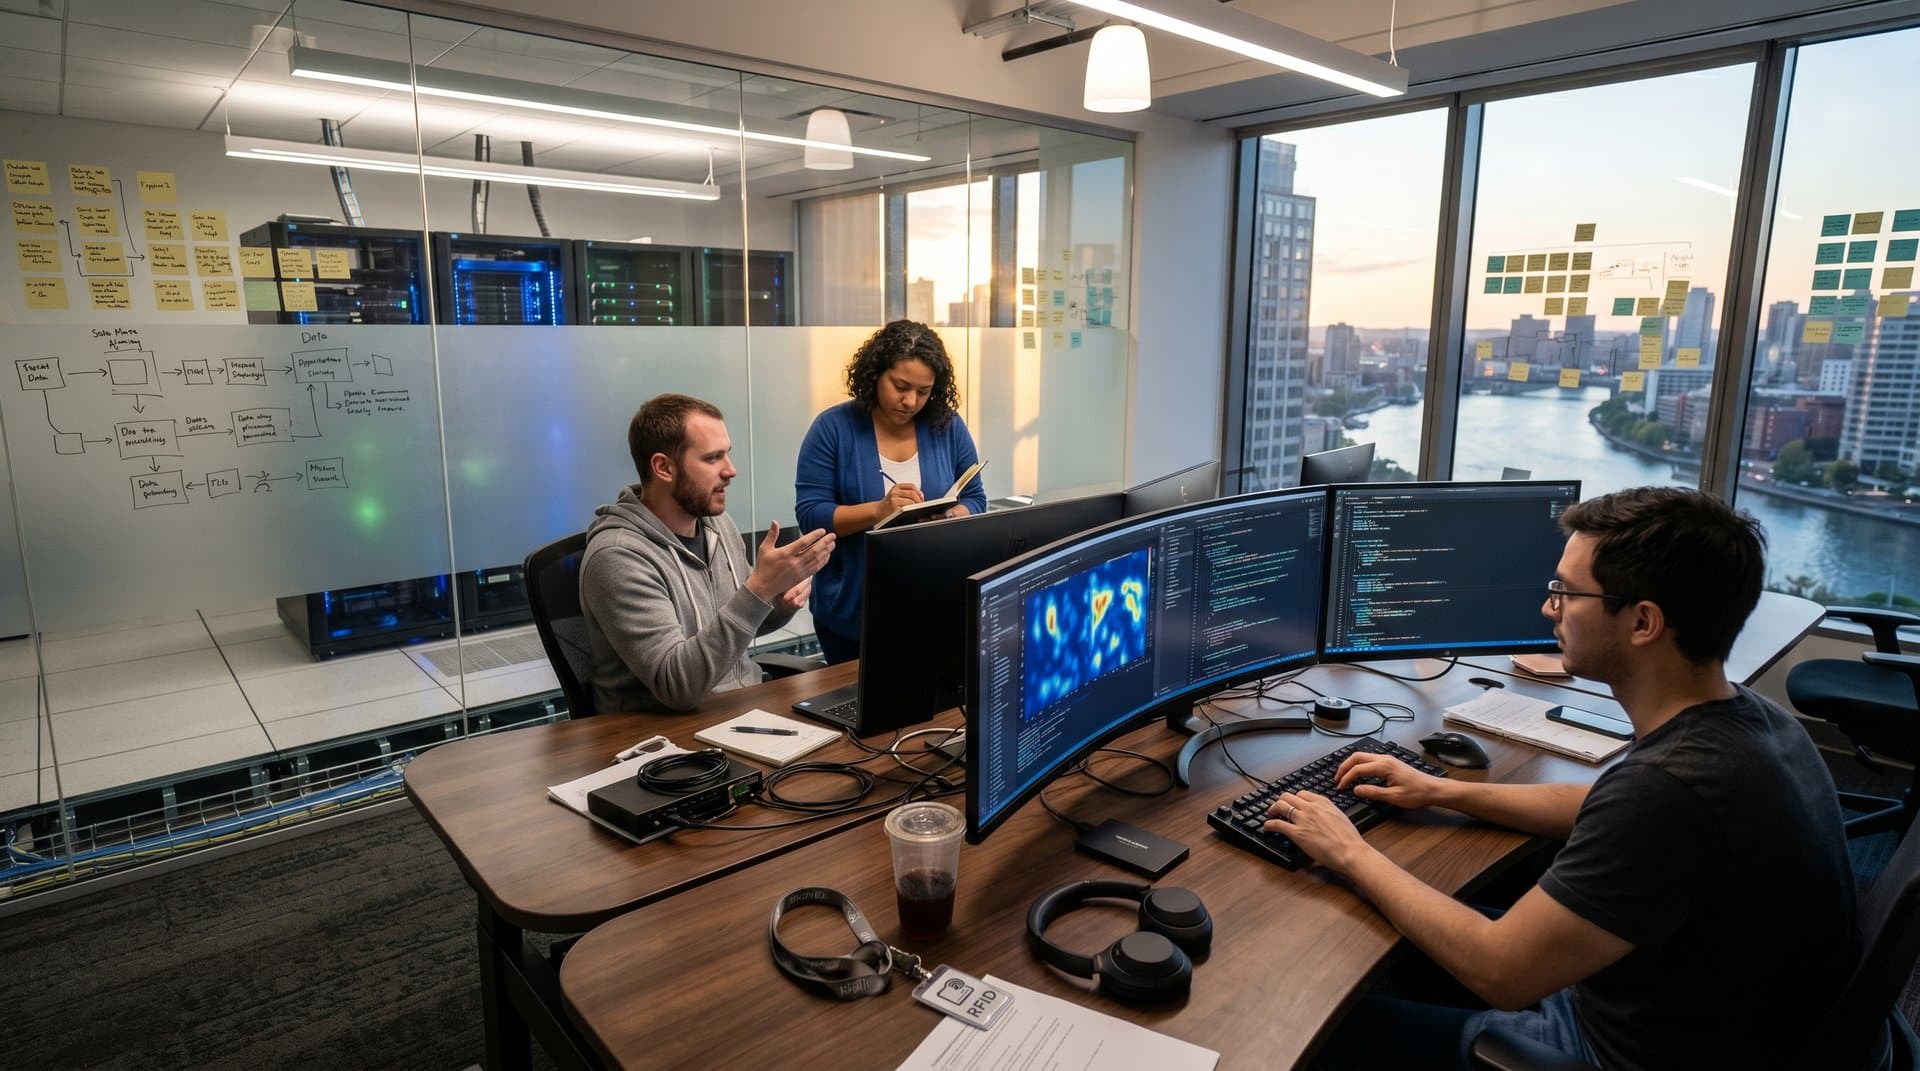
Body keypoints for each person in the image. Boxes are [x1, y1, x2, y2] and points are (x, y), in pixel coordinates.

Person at [1278, 487, 1862, 1070]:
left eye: (1565, 592)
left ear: (1642, 622)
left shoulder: (1671, 788)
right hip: (1700, 1016)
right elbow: (1598, 805)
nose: (1547, 608)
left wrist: (1348, 851)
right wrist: (1443, 789)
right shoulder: (1757, 722)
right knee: (1374, 939)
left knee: (1305, 1021)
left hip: (1600, 1048)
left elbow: (1500, 971)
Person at [580, 393, 834, 713]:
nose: (731, 470)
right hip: (662, 738)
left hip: (738, 710)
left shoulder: (716, 524)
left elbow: (736, 629)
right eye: (713, 458)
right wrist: (760, 589)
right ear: (663, 467)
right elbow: (679, 687)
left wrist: (777, 604)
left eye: (727, 455)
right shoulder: (617, 557)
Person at [794, 320, 987, 664]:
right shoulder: (833, 428)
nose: (910, 401)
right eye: (900, 386)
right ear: (875, 374)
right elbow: (811, 513)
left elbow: (976, 500)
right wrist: (878, 511)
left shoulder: (947, 425)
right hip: (853, 611)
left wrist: (949, 516)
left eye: (924, 391)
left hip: (935, 604)